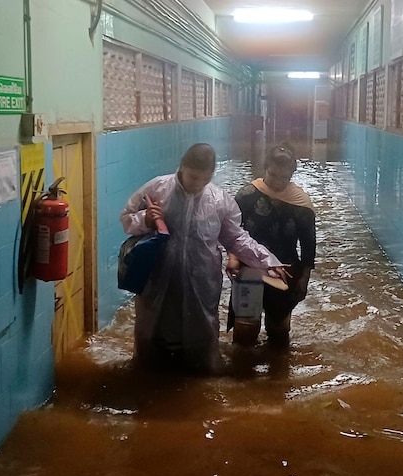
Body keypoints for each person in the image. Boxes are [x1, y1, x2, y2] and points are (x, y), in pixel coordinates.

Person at [120, 143, 289, 372]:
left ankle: (202, 374)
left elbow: (236, 238)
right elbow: (127, 219)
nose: (198, 184)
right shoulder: (157, 189)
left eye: (204, 179)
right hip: (158, 278)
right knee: (153, 330)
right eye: (193, 177)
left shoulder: (220, 200)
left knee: (201, 333)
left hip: (201, 280)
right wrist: (146, 220)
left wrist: (267, 260)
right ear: (182, 167)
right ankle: (149, 373)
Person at [227, 144, 316, 345]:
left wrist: (304, 279)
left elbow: (308, 244)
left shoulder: (301, 204)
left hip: (284, 272)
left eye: (284, 178)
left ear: (292, 175)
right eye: (273, 175)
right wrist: (233, 258)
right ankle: (243, 373)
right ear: (265, 168)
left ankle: (278, 373)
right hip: (249, 269)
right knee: (245, 332)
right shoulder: (247, 196)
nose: (277, 182)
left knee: (279, 333)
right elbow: (232, 231)